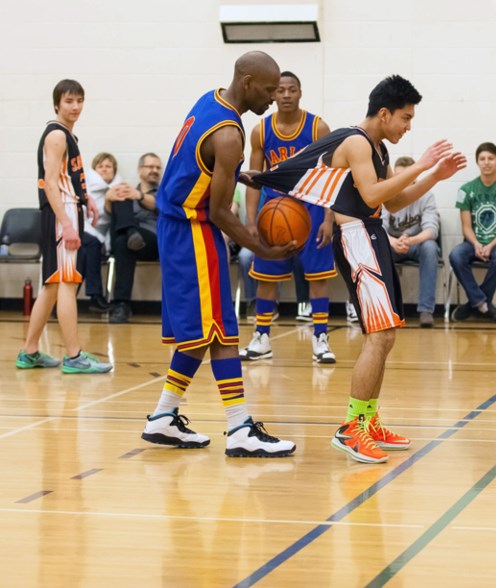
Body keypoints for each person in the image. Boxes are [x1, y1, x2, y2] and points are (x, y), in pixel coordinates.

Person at [250, 74, 467, 464]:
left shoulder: (377, 149)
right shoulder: (355, 142)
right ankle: (351, 428)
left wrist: (433, 176)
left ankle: (368, 420)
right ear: (384, 113)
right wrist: (420, 164)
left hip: (372, 234)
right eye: (405, 117)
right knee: (378, 336)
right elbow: (369, 194)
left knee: (384, 336)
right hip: (355, 239)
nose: (408, 125)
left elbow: (393, 201)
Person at [140, 51, 298, 457]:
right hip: (194, 229)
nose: (273, 97)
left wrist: (238, 173)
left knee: (200, 331)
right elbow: (220, 211)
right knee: (221, 329)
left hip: (177, 223)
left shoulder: (210, 99)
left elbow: (200, 165)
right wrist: (263, 248)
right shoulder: (230, 135)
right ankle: (239, 427)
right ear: (247, 82)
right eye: (268, 90)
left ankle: (163, 417)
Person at [239, 71, 337, 363]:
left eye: (291, 90)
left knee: (318, 277)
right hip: (275, 209)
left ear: (300, 92)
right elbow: (254, 179)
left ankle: (321, 338)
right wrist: (251, 221)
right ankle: (261, 338)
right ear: (273, 94)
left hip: (312, 207)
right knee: (267, 278)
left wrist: (330, 218)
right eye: (280, 90)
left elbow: (333, 175)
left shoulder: (318, 127)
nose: (285, 95)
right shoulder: (260, 130)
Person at [16, 79, 113, 374]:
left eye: (80, 100)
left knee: (53, 286)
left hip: (68, 210)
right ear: (57, 104)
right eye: (69, 101)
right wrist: (68, 224)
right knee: (68, 285)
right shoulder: (57, 136)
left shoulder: (67, 135)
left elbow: (67, 178)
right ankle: (74, 357)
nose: (75, 106)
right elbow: (49, 185)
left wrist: (87, 200)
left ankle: (29, 352)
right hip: (62, 216)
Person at [448, 142, 496, 324]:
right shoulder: (466, 190)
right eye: (482, 159)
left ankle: (475, 304)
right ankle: (484, 304)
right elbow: (466, 226)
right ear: (477, 162)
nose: (486, 162)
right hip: (473, 242)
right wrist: (477, 244)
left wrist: (490, 245)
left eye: (490, 158)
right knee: (456, 255)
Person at [382, 155, 441, 327]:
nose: (403, 179)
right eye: (398, 175)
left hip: (415, 245)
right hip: (393, 245)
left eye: (407, 175)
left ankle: (426, 310)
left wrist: (411, 240)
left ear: (415, 177)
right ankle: (387, 309)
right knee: (377, 246)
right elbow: (379, 228)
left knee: (430, 248)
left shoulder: (426, 195)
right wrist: (393, 242)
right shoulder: (387, 194)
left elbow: (431, 230)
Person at [105, 153, 162, 323]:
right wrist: (108, 199)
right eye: (150, 167)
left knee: (124, 241)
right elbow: (111, 214)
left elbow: (162, 208)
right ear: (140, 170)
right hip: (129, 241)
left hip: (152, 241)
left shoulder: (165, 191)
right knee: (121, 196)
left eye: (158, 167)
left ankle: (121, 304)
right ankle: (130, 231)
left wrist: (140, 196)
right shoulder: (128, 190)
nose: (155, 170)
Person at [78, 152, 125, 313]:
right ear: (94, 170)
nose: (104, 169)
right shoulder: (84, 187)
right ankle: (95, 296)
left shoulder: (119, 189)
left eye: (108, 166)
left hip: (102, 235)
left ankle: (67, 299)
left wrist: (108, 199)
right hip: (83, 229)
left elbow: (113, 218)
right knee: (89, 245)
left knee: (85, 251)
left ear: (114, 170)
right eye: (100, 166)